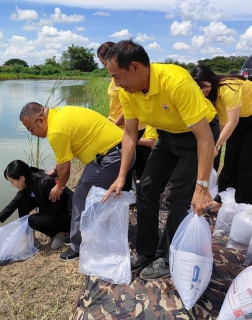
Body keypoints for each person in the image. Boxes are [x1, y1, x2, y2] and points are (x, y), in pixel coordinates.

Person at [102, 39, 219, 280]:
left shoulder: (174, 81)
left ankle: (168, 255)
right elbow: (130, 134)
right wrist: (121, 176)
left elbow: (204, 137)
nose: (116, 83)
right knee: (146, 188)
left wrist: (202, 187)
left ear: (134, 67)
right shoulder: (128, 91)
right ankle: (147, 252)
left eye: (117, 76)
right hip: (168, 136)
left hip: (198, 134)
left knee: (178, 196)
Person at [19, 103, 126, 261]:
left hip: (113, 155)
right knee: (92, 196)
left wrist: (59, 186)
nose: (32, 134)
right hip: (115, 149)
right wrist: (56, 169)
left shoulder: (55, 131)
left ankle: (79, 246)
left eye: (31, 129)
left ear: (40, 120)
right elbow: (67, 151)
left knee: (81, 197)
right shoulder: (59, 114)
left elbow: (66, 169)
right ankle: (99, 231)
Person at [97, 41, 158, 184]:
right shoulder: (116, 79)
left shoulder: (128, 78)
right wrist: (108, 121)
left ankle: (141, 191)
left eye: (105, 63)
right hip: (117, 124)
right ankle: (127, 191)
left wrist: (114, 125)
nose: (105, 68)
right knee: (125, 162)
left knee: (140, 161)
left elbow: (129, 108)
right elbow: (116, 105)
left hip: (132, 125)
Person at [191, 65, 252, 206]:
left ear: (211, 79)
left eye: (204, 85)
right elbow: (224, 124)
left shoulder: (228, 88)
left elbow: (232, 121)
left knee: (246, 163)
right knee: (230, 160)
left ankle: (244, 203)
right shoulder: (215, 97)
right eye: (198, 87)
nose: (203, 90)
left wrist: (217, 146)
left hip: (246, 118)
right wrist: (212, 144)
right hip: (241, 120)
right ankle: (223, 198)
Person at [0, 160, 73, 250]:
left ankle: (64, 232)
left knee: (33, 219)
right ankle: (32, 240)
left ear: (22, 178)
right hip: (57, 213)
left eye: (12, 182)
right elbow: (13, 205)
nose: (12, 185)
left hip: (69, 216)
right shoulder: (29, 184)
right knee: (22, 203)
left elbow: (59, 207)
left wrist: (38, 211)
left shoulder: (44, 183)